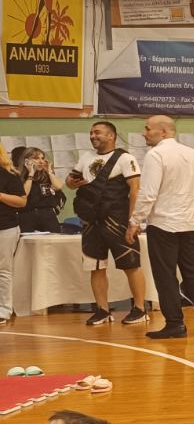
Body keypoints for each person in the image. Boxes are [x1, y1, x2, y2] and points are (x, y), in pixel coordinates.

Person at [129, 116, 194, 340]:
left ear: (163, 132)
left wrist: (134, 221)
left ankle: (175, 324)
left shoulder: (156, 155)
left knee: (166, 276)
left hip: (163, 225)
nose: (144, 133)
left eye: (147, 129)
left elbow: (148, 193)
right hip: (188, 224)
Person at [65, 121, 149, 326]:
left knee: (131, 264)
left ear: (111, 136)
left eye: (97, 132)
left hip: (117, 221)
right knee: (96, 266)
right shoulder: (86, 157)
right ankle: (102, 310)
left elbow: (135, 190)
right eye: (91, 133)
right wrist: (71, 183)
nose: (93, 136)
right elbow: (69, 183)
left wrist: (133, 221)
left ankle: (140, 309)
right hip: (91, 221)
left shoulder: (125, 158)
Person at [0, 150, 24, 325]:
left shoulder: (9, 175)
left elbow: (22, 201)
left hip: (5, 228)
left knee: (3, 270)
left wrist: (0, 195)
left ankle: (3, 309)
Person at [18, 147, 66, 233]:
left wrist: (50, 172)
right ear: (26, 161)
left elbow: (58, 186)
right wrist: (31, 174)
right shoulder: (19, 177)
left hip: (47, 214)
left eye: (42, 158)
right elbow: (24, 194)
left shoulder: (46, 175)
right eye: (36, 158)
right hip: (27, 215)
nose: (41, 161)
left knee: (54, 238)